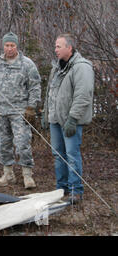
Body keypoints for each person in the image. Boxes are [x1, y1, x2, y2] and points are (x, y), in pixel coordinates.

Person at [0, 32, 41, 189]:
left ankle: (27, 175)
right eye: (7, 45)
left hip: (19, 111)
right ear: (3, 46)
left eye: (12, 45)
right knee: (3, 144)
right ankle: (8, 173)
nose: (9, 48)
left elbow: (35, 86)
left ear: (17, 46)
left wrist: (31, 107)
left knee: (22, 143)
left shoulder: (27, 64)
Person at [42, 34, 94, 205]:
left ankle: (75, 190)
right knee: (58, 155)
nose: (55, 50)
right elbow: (51, 92)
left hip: (71, 121)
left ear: (69, 48)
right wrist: (46, 115)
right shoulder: (56, 67)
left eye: (59, 46)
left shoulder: (82, 67)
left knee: (72, 155)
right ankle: (61, 188)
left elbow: (83, 95)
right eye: (55, 46)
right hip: (55, 120)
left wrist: (73, 119)